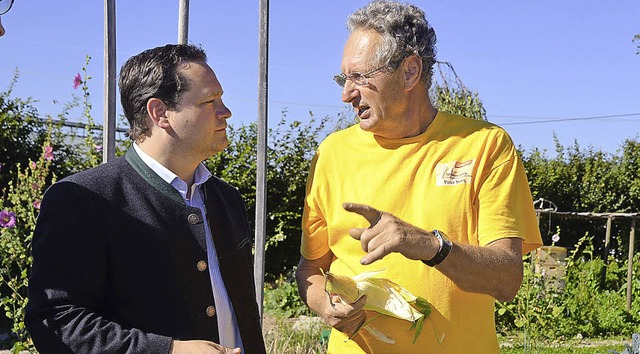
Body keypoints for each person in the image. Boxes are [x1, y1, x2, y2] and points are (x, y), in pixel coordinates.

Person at [295, 1, 542, 353]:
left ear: (410, 72)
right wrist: (322, 302)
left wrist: (429, 245)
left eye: (361, 78)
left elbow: (506, 279)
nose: (346, 94)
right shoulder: (331, 154)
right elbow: (311, 267)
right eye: (344, 78)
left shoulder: (485, 145)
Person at [25, 44, 266, 354]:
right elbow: (57, 321)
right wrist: (168, 350)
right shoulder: (86, 199)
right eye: (209, 101)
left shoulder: (226, 198)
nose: (226, 112)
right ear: (160, 113)